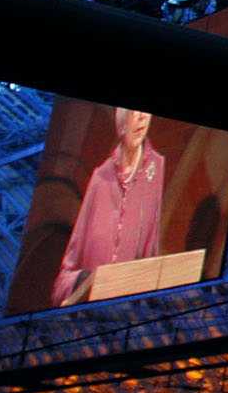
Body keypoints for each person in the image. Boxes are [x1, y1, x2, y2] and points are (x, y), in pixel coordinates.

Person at [52, 106, 166, 305]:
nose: (142, 117)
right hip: (92, 301)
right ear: (121, 123)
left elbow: (150, 248)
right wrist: (81, 283)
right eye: (133, 112)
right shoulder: (100, 177)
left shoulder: (156, 168)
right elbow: (69, 269)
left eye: (145, 111)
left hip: (130, 299)